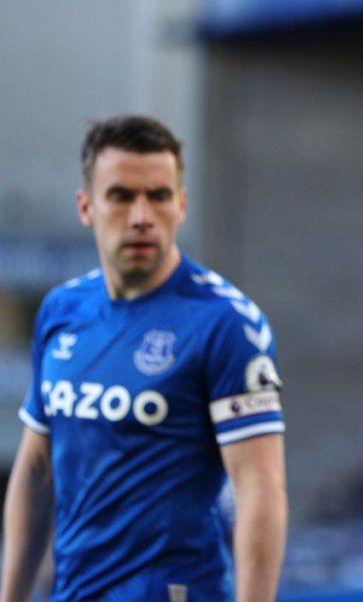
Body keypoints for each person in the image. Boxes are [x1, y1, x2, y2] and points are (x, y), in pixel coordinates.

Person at [1, 116, 288, 602]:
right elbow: (36, 468)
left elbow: (259, 486)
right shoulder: (61, 311)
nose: (141, 216)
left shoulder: (226, 323)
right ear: (86, 207)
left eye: (158, 196)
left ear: (181, 205)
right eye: (121, 196)